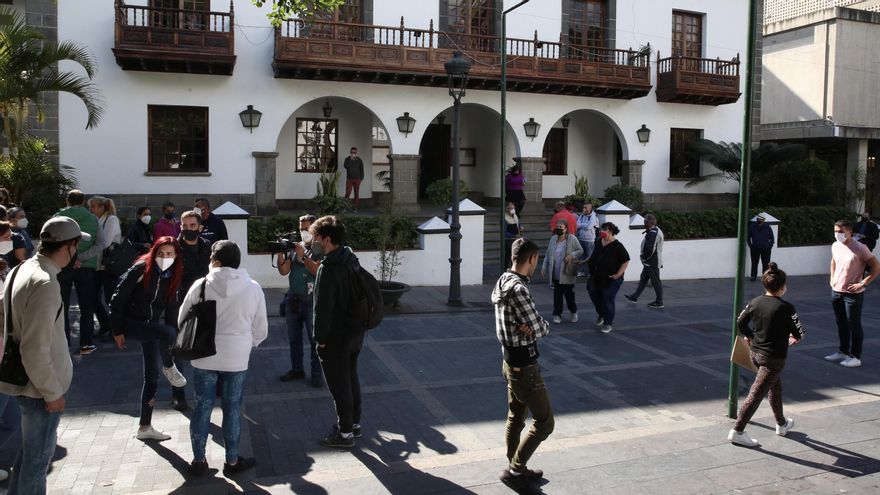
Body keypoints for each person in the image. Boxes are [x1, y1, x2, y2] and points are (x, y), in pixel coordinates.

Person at [0, 217, 83, 493]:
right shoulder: (45, 282)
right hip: (39, 389)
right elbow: (35, 347)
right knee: (36, 464)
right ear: (70, 246)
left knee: (28, 456)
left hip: (26, 381)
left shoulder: (22, 269)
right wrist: (52, 392)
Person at [182, 240, 267, 477]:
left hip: (203, 355)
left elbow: (182, 319)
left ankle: (199, 461)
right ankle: (231, 461)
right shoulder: (253, 287)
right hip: (236, 357)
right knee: (232, 409)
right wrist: (250, 342)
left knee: (202, 408)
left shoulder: (200, 285)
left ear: (215, 260)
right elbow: (261, 326)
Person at [109, 236, 188, 441]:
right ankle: (169, 367)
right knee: (167, 333)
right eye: (161, 253)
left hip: (150, 325)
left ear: (176, 255)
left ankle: (145, 427)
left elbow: (171, 308)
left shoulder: (173, 275)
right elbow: (117, 298)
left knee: (151, 375)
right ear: (154, 252)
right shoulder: (141, 268)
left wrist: (175, 337)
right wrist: (116, 330)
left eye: (169, 253)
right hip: (131, 323)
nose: (165, 257)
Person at [490, 238, 553, 486]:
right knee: (545, 422)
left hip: (508, 361)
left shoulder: (502, 281)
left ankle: (514, 462)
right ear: (532, 259)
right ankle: (516, 468)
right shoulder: (519, 289)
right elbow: (540, 328)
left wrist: (527, 327)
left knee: (516, 415)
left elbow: (528, 325)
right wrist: (534, 327)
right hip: (525, 367)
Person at [728, 262, 805, 447]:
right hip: (774, 358)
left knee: (774, 387)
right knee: (756, 394)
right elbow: (798, 332)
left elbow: (740, 322)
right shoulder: (786, 308)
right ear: (782, 287)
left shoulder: (754, 302)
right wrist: (796, 337)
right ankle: (737, 431)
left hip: (756, 353)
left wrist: (749, 336)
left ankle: (781, 424)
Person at [310, 215, 364, 448]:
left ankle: (344, 434)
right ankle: (354, 424)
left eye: (316, 238)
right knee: (351, 378)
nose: (313, 242)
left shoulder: (329, 268)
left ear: (327, 239)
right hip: (355, 332)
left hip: (335, 337)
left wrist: (320, 339)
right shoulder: (351, 260)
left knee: (339, 385)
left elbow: (322, 309)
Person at [823, 220, 880, 368]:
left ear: (850, 232)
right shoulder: (835, 246)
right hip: (836, 291)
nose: (837, 234)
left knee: (854, 324)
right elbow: (833, 261)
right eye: (835, 231)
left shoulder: (860, 247)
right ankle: (843, 351)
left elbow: (876, 267)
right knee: (841, 323)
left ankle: (856, 356)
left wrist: (863, 283)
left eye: (841, 232)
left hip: (853, 294)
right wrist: (832, 279)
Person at [172, 210, 212, 411]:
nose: (188, 229)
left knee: (206, 343)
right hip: (179, 303)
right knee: (180, 348)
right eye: (184, 226)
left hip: (204, 302)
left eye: (192, 226)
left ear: (200, 227)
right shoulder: (173, 248)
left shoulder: (207, 246)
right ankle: (178, 392)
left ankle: (213, 385)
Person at [277, 214, 324, 387]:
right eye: (301, 228)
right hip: (293, 299)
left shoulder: (320, 249)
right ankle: (297, 369)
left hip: (312, 301)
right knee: (294, 338)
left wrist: (303, 256)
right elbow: (283, 271)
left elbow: (317, 271)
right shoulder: (296, 247)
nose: (303, 231)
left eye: (306, 228)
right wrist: (280, 252)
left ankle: (317, 373)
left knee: (315, 340)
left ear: (315, 229)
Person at [55, 189, 104, 355]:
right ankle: (86, 344)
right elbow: (100, 243)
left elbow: (51, 242)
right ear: (83, 202)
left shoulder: (57, 218)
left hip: (63, 266)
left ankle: (64, 344)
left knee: (62, 306)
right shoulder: (94, 219)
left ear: (67, 201)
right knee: (87, 306)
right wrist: (81, 258)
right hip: (86, 267)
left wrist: (70, 258)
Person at [586, 222, 630, 334]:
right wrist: (585, 261)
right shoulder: (598, 241)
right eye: (601, 230)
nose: (601, 232)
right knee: (594, 295)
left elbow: (625, 260)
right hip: (596, 276)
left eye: (603, 230)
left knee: (607, 298)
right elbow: (594, 255)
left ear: (610, 231)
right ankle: (601, 313)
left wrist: (618, 274)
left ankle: (608, 323)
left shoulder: (617, 246)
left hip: (611, 279)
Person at [88, 196, 122, 339]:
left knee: (110, 299)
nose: (90, 210)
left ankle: (116, 330)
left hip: (109, 265)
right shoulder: (97, 220)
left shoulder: (111, 220)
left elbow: (106, 242)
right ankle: (105, 325)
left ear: (102, 207)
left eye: (93, 207)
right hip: (98, 265)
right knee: (93, 298)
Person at [541, 220, 582, 324]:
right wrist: (544, 266)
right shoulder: (553, 239)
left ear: (566, 229)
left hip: (566, 273)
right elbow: (548, 253)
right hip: (555, 272)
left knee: (569, 295)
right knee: (557, 295)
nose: (558, 228)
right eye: (557, 226)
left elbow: (580, 250)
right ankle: (557, 314)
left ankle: (573, 311)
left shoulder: (572, 238)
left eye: (561, 227)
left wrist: (571, 255)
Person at [625, 213, 665, 308]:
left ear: (649, 222)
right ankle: (635, 296)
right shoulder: (654, 230)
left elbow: (650, 249)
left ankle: (659, 301)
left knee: (655, 281)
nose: (644, 222)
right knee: (643, 278)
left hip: (652, 261)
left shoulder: (653, 233)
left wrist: (644, 258)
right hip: (650, 261)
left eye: (645, 221)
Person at [747, 215, 774, 281]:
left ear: (764, 220)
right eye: (758, 219)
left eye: (761, 219)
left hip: (766, 249)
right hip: (755, 248)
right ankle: (753, 276)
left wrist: (769, 247)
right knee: (754, 263)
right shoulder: (752, 227)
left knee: (765, 263)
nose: (759, 220)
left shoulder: (768, 227)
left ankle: (765, 277)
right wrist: (751, 246)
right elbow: (748, 237)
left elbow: (772, 238)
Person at [575, 202, 598, 275]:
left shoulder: (593, 217)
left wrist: (582, 225)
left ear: (590, 208)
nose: (584, 209)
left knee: (589, 256)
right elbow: (576, 225)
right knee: (581, 256)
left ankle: (589, 272)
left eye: (586, 207)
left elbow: (589, 227)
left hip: (589, 240)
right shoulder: (581, 216)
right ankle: (581, 271)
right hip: (581, 238)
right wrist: (585, 225)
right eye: (583, 207)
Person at [503, 201, 522, 266]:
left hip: (516, 239)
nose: (512, 209)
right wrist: (514, 235)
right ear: (507, 208)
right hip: (509, 240)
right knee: (508, 256)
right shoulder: (504, 218)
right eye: (511, 208)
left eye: (513, 208)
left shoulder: (515, 216)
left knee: (515, 256)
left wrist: (520, 226)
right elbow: (504, 231)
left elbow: (517, 223)